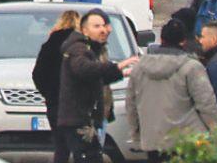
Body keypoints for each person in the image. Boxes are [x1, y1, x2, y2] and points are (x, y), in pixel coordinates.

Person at [127, 19, 217, 163]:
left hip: (153, 140)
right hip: (186, 141)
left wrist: (136, 136)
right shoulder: (192, 67)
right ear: (183, 41)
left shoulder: (139, 69)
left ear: (161, 39)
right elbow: (206, 104)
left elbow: (131, 105)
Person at [59, 9, 139, 163]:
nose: (103, 30)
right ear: (84, 30)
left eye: (103, 26)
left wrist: (123, 72)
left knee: (94, 156)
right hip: (78, 120)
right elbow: (84, 69)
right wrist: (119, 66)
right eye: (96, 26)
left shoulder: (94, 49)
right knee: (88, 157)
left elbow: (98, 77)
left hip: (90, 119)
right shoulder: (78, 48)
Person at [33, 10, 81, 163]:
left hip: (55, 102)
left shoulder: (49, 44)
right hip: (77, 104)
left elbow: (38, 74)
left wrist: (48, 93)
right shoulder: (81, 44)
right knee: (81, 147)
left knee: (61, 147)